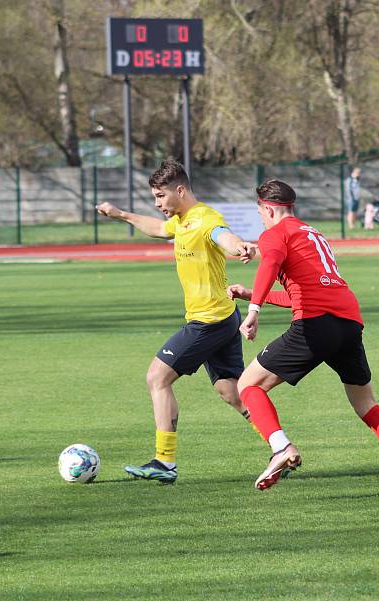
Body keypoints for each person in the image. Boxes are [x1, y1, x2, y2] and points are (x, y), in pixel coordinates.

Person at [227, 179, 379, 494]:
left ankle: (281, 448)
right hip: (349, 322)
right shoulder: (312, 234)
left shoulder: (274, 234)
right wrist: (252, 294)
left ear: (268, 208)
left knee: (247, 385)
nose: (262, 220)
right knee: (366, 404)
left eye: (261, 214)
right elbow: (306, 292)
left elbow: (269, 263)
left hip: (316, 325)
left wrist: (253, 310)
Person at [96, 158, 256, 484]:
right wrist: (121, 214)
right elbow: (157, 228)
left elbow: (222, 235)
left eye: (161, 197)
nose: (158, 204)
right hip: (223, 316)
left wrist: (238, 246)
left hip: (207, 321)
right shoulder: (181, 221)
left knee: (157, 377)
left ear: (180, 190)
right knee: (231, 392)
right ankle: (280, 444)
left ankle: (164, 462)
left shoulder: (205, 218)